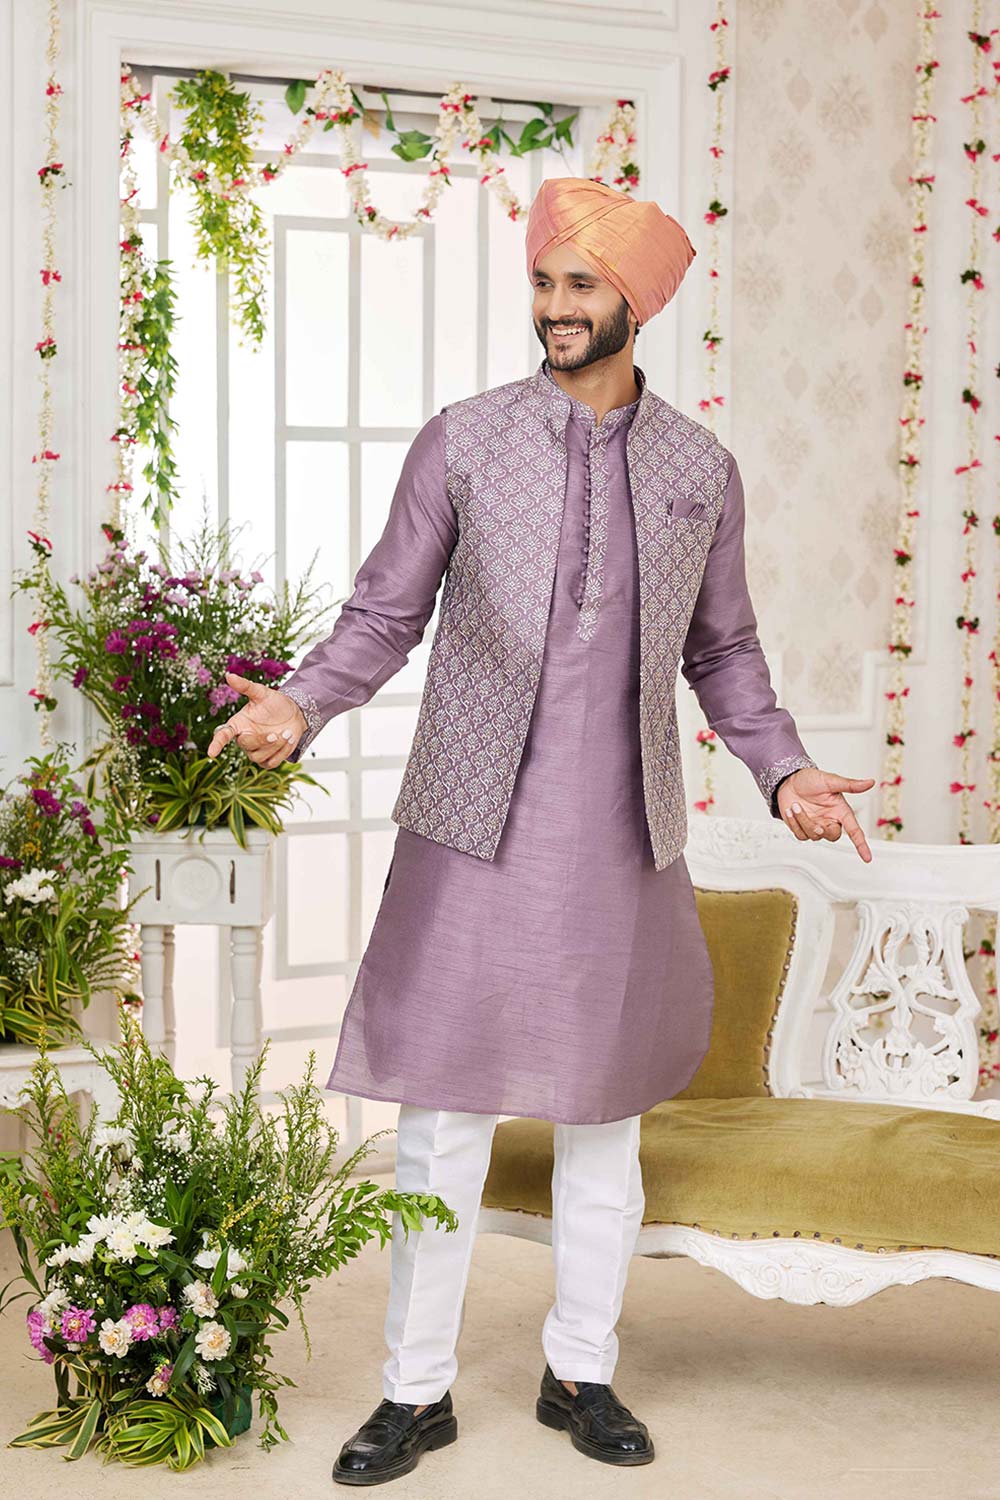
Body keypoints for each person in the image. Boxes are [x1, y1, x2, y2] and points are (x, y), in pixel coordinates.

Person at [208, 175, 875, 1484]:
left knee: (603, 1117)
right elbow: (385, 613)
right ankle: (413, 1392)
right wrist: (303, 701)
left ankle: (582, 1370)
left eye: (582, 285)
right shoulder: (463, 442)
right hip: (471, 821)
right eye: (544, 282)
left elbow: (724, 649)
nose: (556, 306)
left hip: (620, 834)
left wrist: (785, 770)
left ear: (638, 301)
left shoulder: (699, 469)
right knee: (442, 1121)